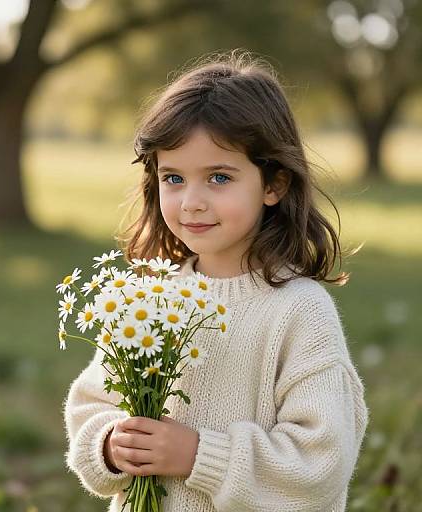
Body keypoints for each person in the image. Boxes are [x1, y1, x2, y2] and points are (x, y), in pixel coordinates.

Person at [63, 49, 369, 512]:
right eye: (174, 178)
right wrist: (109, 444)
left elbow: (320, 464)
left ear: (274, 185)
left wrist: (198, 455)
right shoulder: (148, 300)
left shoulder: (299, 311)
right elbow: (91, 406)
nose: (192, 202)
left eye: (219, 177)